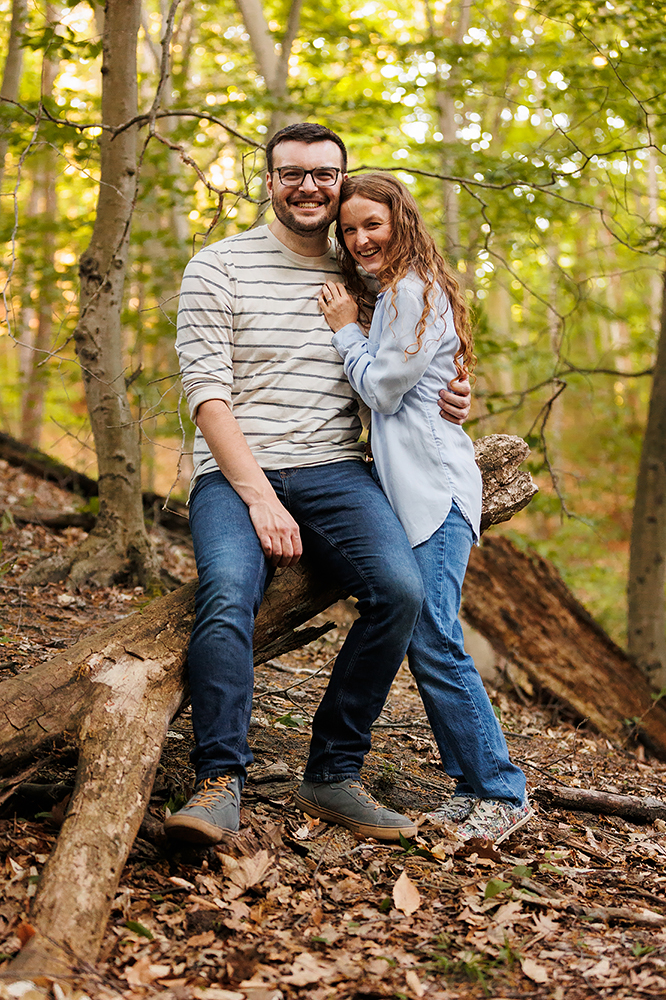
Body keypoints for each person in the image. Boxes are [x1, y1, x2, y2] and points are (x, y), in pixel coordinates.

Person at [168, 123, 471, 846]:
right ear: (268, 180)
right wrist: (260, 497)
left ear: (342, 181)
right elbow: (208, 397)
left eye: (325, 174)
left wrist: (456, 396)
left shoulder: (362, 268)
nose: (309, 186)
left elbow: (417, 348)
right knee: (226, 597)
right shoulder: (218, 266)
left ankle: (332, 773)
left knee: (400, 592)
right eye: (292, 173)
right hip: (236, 473)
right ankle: (219, 783)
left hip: (337, 468)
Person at [318, 173, 532, 845]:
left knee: (436, 640)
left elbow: (382, 391)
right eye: (349, 230)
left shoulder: (409, 292)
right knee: (426, 640)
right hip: (410, 491)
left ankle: (502, 789)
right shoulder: (394, 298)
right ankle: (473, 789)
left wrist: (344, 333)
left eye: (371, 225)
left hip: (435, 489)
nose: (359, 240)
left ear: (399, 221)